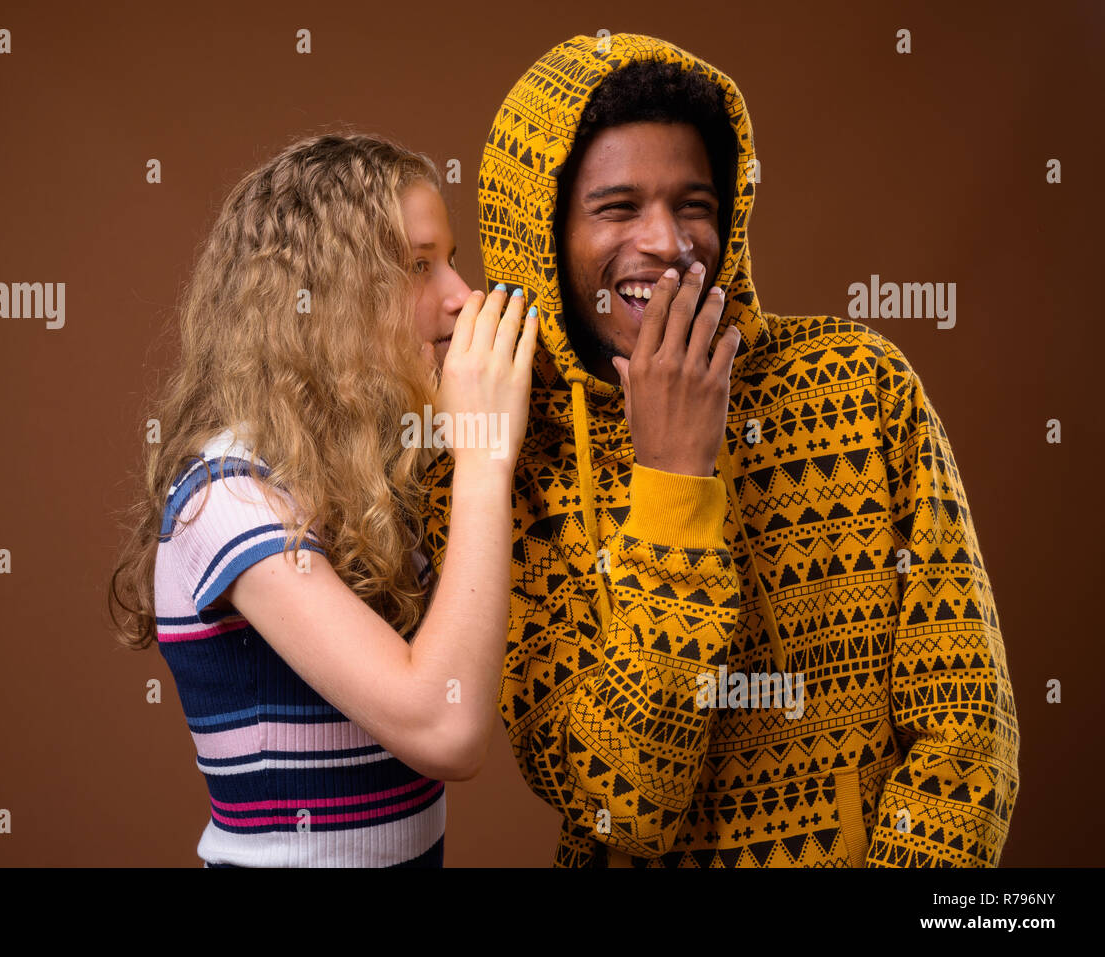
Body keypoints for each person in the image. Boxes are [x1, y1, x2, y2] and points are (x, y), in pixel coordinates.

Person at [420, 34, 1020, 868]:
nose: (668, 243)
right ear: (542, 235)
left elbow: (967, 732)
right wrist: (673, 481)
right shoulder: (497, 466)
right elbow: (618, 803)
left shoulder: (859, 385)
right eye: (618, 207)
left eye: (694, 203)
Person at [109, 131, 537, 867]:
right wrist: (485, 458)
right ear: (323, 298)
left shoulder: (384, 474)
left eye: (452, 260)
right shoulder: (227, 496)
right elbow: (447, 727)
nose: (463, 296)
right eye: (418, 266)